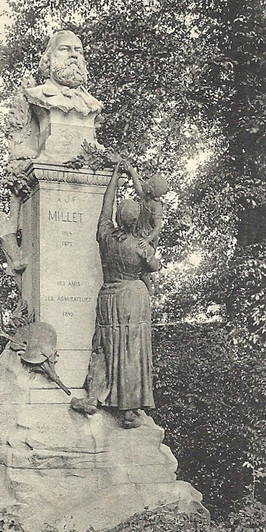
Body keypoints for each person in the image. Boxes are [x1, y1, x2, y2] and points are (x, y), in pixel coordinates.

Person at [84, 159, 160, 428]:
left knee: (104, 347)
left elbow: (105, 210)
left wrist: (115, 177)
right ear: (136, 219)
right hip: (132, 298)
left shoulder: (105, 235)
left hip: (108, 295)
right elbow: (155, 265)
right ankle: (128, 410)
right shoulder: (139, 245)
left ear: (118, 218)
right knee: (131, 351)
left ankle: (95, 395)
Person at [125, 162, 169, 296]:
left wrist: (147, 239)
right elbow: (138, 185)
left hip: (146, 238)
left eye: (148, 183)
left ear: (150, 189)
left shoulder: (156, 207)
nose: (145, 184)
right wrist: (131, 171)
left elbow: (157, 228)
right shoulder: (145, 198)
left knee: (143, 269)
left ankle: (149, 289)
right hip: (137, 232)